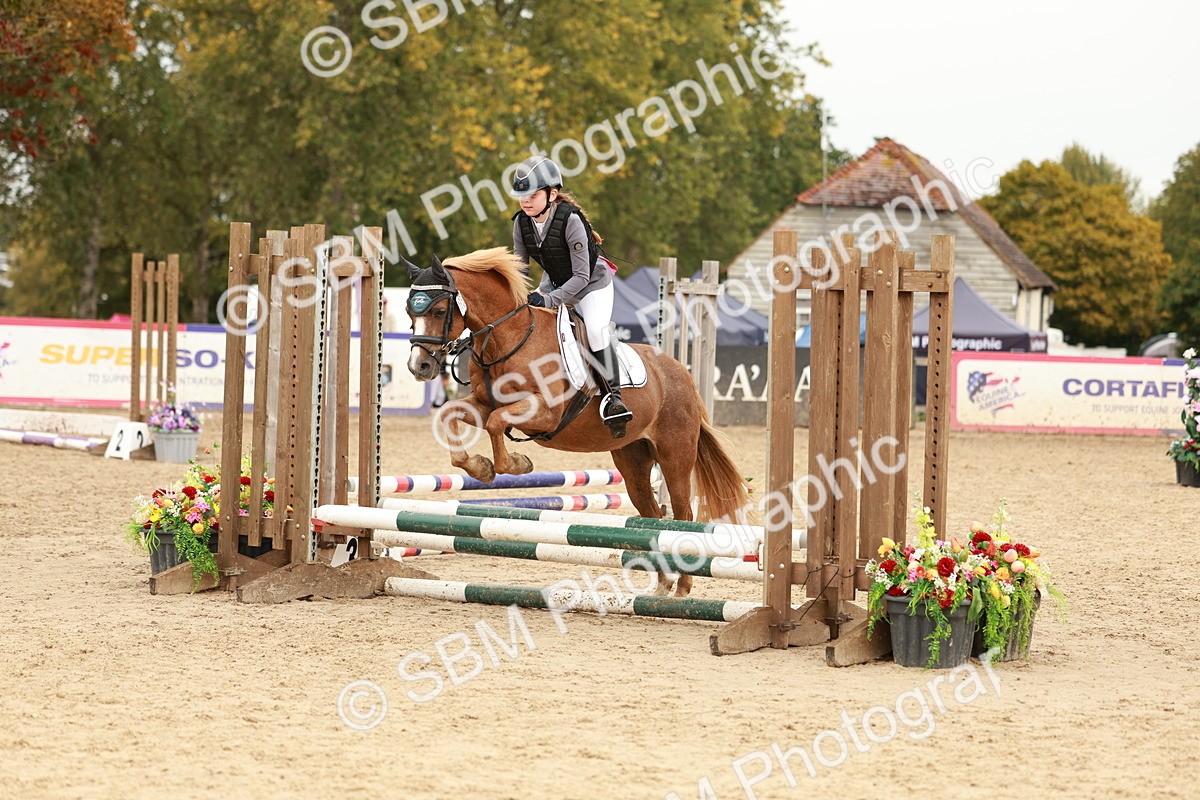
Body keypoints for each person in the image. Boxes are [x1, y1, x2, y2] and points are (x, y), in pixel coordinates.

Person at [509, 156, 631, 438]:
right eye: (521, 196)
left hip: (591, 285)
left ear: (551, 194)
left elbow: (581, 277)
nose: (525, 201)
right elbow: (520, 270)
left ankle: (615, 398)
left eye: (532, 194)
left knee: (597, 331)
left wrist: (549, 300)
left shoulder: (570, 220)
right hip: (554, 284)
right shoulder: (521, 224)